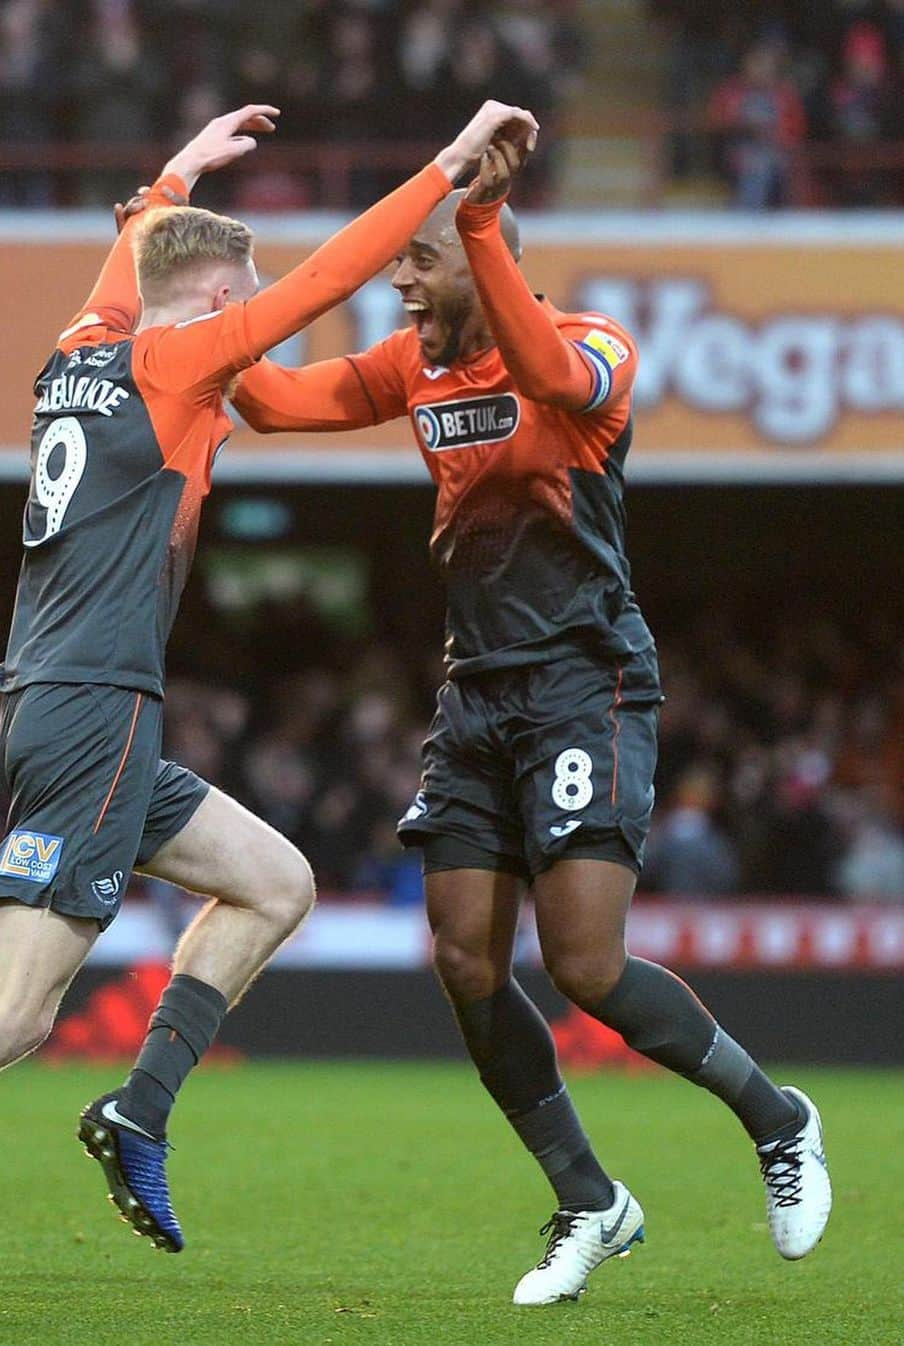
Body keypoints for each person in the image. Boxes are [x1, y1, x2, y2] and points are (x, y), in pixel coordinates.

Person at [0, 98, 538, 1305]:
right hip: (94, 710)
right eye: (238, 305)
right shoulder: (178, 359)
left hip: (69, 705)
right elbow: (329, 278)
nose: (249, 328)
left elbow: (137, 267)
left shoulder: (82, 348)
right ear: (216, 310)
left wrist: (169, 180)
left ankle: (139, 1108)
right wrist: (449, 168)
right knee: (9, 1011)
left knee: (276, 883)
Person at [229, 136, 832, 1304]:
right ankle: (590, 1200)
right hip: (478, 688)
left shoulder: (594, 346)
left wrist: (487, 214)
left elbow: (556, 381)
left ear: (482, 253)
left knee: (587, 964)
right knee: (461, 956)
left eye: (416, 259)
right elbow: (265, 396)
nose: (398, 281)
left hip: (585, 678)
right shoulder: (413, 366)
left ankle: (778, 1119)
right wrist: (213, 304)